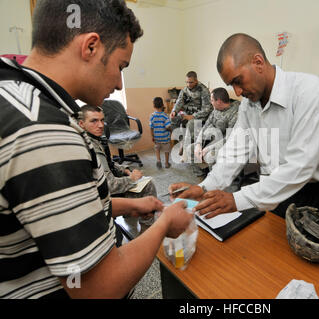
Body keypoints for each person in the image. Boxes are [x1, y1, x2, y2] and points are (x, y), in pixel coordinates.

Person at [0, 0, 192, 299]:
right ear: (90, 46)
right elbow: (98, 289)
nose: (118, 84)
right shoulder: (46, 132)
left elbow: (46, 211)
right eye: (120, 67)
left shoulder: (12, 95)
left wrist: (132, 205)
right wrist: (164, 223)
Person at [170, 33, 319, 218]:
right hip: (273, 190)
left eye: (238, 81)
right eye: (232, 85)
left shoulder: (309, 91)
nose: (238, 92)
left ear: (258, 62)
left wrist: (236, 200)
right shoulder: (249, 106)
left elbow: (300, 166)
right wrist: (204, 187)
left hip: (316, 193)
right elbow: (234, 152)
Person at [78, 105, 156, 226]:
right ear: (81, 123)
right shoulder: (90, 147)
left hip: (96, 192)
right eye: (94, 121)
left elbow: (108, 163)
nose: (100, 125)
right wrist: (131, 179)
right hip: (100, 199)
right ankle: (148, 228)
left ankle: (129, 215)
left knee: (138, 178)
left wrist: (125, 170)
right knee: (148, 185)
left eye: (102, 120)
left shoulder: (89, 139)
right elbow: (109, 185)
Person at [185, 87, 240, 176]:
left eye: (212, 100)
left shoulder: (235, 113)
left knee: (210, 156)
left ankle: (215, 178)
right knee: (190, 149)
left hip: (227, 143)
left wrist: (208, 148)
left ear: (219, 101)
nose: (211, 102)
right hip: (213, 140)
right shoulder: (216, 109)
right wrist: (198, 144)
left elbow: (229, 138)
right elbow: (205, 126)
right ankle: (201, 173)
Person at [170, 71, 213, 157]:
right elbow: (179, 101)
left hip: (200, 116)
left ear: (196, 81)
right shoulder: (185, 90)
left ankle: (186, 151)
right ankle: (182, 141)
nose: (188, 84)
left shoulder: (203, 90)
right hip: (188, 113)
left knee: (190, 124)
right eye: (187, 82)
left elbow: (207, 109)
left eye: (191, 82)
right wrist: (174, 111)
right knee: (173, 120)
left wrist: (193, 116)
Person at [150, 97, 172, 169]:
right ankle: (166, 163)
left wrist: (152, 136)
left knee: (157, 149)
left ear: (154, 106)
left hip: (157, 137)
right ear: (163, 105)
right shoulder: (165, 116)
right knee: (166, 150)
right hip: (165, 137)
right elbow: (167, 127)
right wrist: (172, 131)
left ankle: (158, 160)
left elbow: (151, 127)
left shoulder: (152, 116)